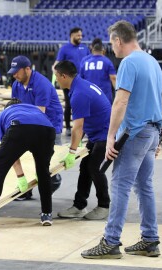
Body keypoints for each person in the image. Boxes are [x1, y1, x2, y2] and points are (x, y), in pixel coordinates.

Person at [81, 20, 162, 259]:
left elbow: (120, 101)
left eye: (112, 43)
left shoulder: (128, 63)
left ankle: (111, 240)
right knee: (144, 187)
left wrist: (110, 137)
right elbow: (156, 100)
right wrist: (157, 138)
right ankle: (149, 239)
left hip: (133, 133)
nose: (111, 48)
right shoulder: (152, 61)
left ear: (118, 40)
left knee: (120, 186)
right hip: (151, 132)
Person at [0, 99, 56, 230]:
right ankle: (47, 214)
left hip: (19, 128)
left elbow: (10, 153)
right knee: (43, 171)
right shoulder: (34, 109)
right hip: (47, 130)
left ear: (6, 108)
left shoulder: (4, 115)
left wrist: (20, 176)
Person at [54, 60, 111, 220]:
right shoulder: (80, 86)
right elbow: (87, 118)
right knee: (85, 168)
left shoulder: (79, 93)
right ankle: (79, 206)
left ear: (64, 76)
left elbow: (77, 127)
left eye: (57, 76)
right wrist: (79, 142)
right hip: (98, 133)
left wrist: (72, 152)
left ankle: (104, 206)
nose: (56, 80)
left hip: (105, 135)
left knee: (94, 168)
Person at [8, 55, 64, 199]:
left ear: (27, 69)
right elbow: (15, 108)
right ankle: (26, 190)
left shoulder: (41, 84)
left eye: (17, 71)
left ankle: (52, 183)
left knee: (46, 162)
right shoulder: (16, 84)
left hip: (49, 125)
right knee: (17, 152)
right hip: (29, 122)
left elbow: (40, 114)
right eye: (12, 71)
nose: (14, 74)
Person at [54, 27, 91, 136]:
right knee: (69, 104)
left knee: (84, 104)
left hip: (82, 82)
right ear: (72, 35)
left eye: (81, 35)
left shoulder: (85, 49)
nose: (80, 37)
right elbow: (57, 65)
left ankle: (85, 128)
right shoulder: (64, 49)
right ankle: (69, 127)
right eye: (78, 35)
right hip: (69, 83)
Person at [79, 38, 117, 104]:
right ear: (103, 50)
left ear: (93, 50)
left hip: (88, 94)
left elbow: (80, 79)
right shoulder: (107, 61)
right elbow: (113, 78)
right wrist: (118, 92)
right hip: (104, 96)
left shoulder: (85, 62)